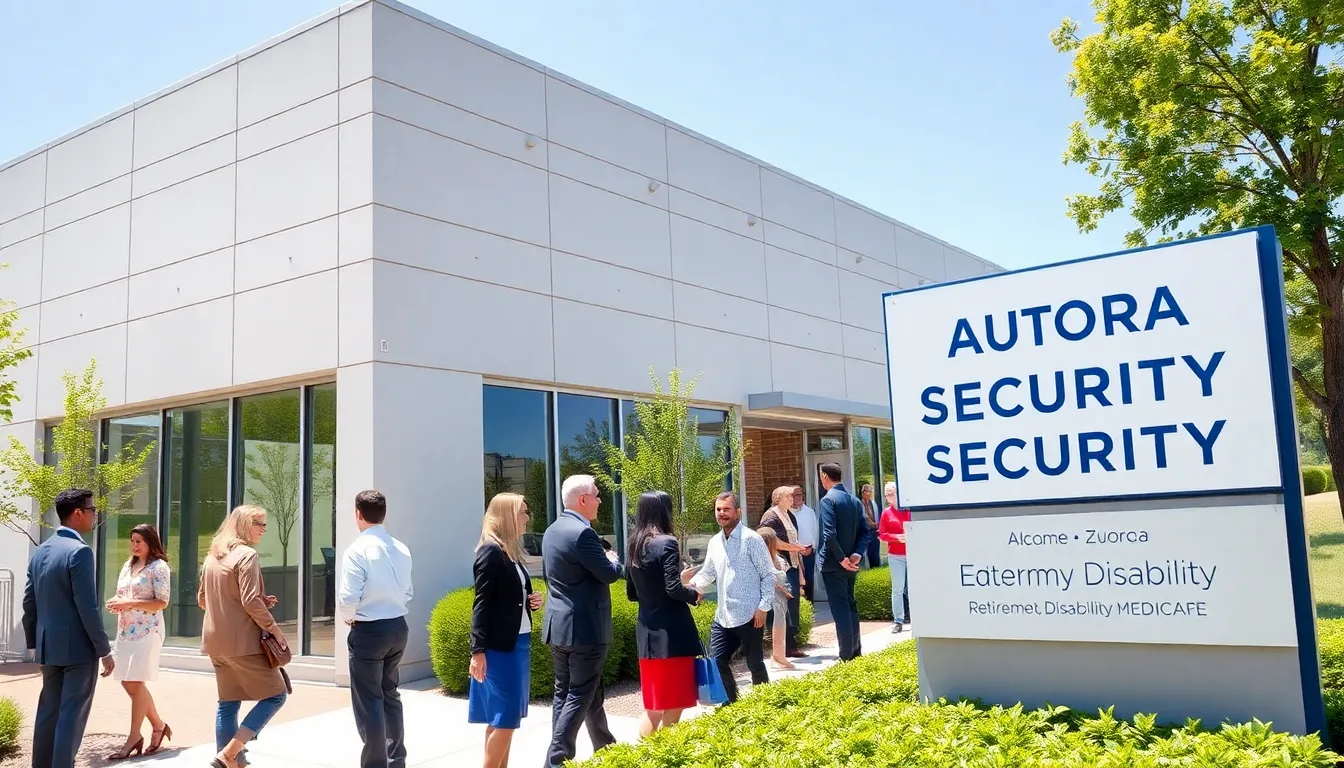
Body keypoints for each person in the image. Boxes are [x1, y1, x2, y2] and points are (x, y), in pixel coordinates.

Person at [22, 488, 115, 768]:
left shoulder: (41, 552)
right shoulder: (80, 552)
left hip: (48, 647)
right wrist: (104, 649)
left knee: (48, 712)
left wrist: (34, 642)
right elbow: (88, 607)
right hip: (77, 649)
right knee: (71, 716)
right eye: (92, 510)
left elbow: (29, 602)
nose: (94, 516)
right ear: (77, 514)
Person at [541, 475, 623, 768]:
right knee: (578, 694)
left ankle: (606, 747)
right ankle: (556, 761)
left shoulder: (552, 530)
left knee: (569, 692)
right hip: (585, 628)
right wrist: (612, 558)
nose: (600, 500)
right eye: (597, 495)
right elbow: (610, 573)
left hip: (559, 627)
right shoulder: (583, 534)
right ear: (583, 500)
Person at [198, 504, 289, 768]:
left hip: (215, 642)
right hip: (243, 643)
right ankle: (230, 753)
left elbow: (203, 600)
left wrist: (257, 600)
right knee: (277, 695)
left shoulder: (213, 556)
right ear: (243, 525)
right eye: (259, 523)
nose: (264, 529)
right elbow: (249, 602)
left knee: (228, 703)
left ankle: (232, 761)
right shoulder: (247, 555)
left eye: (264, 524)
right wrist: (276, 630)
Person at [338, 490, 415, 768]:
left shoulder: (356, 550)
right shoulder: (401, 547)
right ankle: (396, 760)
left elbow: (348, 598)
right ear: (384, 514)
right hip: (398, 627)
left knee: (369, 700)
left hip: (369, 630)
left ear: (358, 514)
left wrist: (349, 619)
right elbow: (407, 592)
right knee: (390, 694)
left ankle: (374, 763)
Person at [469, 492, 543, 768]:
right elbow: (481, 604)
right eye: (523, 512)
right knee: (506, 718)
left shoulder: (508, 551)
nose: (527, 517)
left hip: (517, 643)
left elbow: (510, 597)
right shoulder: (490, 551)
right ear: (508, 516)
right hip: (500, 649)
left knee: (502, 718)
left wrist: (531, 601)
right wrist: (477, 650)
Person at [623, 491, 701, 738]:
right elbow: (673, 589)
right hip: (672, 634)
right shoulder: (667, 542)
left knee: (654, 706)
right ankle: (665, 756)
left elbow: (632, 593)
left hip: (647, 633)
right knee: (675, 702)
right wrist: (693, 594)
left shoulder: (634, 544)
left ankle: (646, 757)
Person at [690, 492, 776, 704]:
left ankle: (765, 706)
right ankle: (732, 704)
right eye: (718, 510)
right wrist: (691, 587)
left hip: (750, 614)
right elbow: (708, 572)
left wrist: (764, 607)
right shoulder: (714, 542)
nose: (722, 513)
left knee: (754, 663)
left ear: (738, 512)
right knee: (718, 660)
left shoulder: (752, 540)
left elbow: (768, 574)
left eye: (726, 509)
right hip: (724, 616)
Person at [105, 523, 172, 759]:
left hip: (147, 632)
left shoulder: (159, 567)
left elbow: (161, 602)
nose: (134, 545)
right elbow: (125, 595)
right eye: (132, 541)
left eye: (139, 542)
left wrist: (129, 604)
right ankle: (158, 725)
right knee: (128, 682)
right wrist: (117, 602)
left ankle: (134, 736)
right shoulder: (128, 565)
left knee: (135, 682)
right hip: (126, 631)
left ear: (150, 543)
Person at [817, 463, 872, 662]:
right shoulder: (855, 501)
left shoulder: (828, 500)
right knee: (850, 605)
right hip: (851, 563)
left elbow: (829, 535)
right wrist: (856, 554)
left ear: (824, 476)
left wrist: (842, 559)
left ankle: (846, 656)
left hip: (834, 564)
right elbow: (866, 532)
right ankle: (855, 651)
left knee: (840, 608)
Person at [759, 486, 806, 658]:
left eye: (792, 497)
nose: (792, 499)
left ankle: (791, 643)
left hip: (793, 564)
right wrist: (792, 547)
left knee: (793, 603)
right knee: (782, 604)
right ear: (778, 498)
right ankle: (782, 647)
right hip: (779, 566)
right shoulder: (770, 516)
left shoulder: (790, 515)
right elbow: (768, 539)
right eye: (788, 496)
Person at [755, 528, 795, 670]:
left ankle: (780, 656)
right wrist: (783, 589)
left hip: (781, 600)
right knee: (777, 626)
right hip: (773, 599)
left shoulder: (778, 559)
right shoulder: (761, 560)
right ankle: (778, 657)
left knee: (781, 625)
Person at [877, 482, 911, 633]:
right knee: (897, 588)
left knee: (913, 588)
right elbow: (882, 534)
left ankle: (916, 618)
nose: (889, 496)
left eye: (892, 493)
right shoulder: (886, 513)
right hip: (895, 555)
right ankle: (898, 620)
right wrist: (897, 537)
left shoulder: (909, 510)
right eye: (887, 494)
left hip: (912, 553)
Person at [790, 487, 818, 601]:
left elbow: (815, 530)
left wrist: (813, 547)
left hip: (808, 551)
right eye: (793, 495)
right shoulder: (787, 512)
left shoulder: (809, 512)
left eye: (799, 495)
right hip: (793, 551)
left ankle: (810, 604)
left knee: (809, 579)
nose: (796, 498)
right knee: (796, 580)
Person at [857, 484, 883, 569]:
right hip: (865, 532)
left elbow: (876, 516)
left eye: (870, 492)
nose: (869, 494)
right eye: (867, 491)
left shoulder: (873, 503)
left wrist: (877, 526)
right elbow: (864, 517)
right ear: (863, 493)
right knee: (864, 555)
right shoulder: (860, 504)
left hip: (874, 532)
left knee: (875, 555)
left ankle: (875, 570)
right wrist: (872, 523)